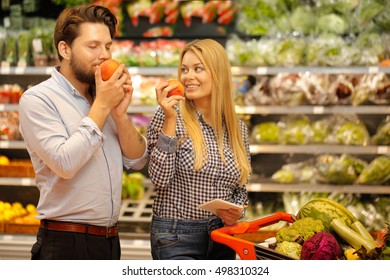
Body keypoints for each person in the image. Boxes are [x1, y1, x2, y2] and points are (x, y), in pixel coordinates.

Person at [18, 4, 148, 260]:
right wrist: (102, 106)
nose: (104, 55)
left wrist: (119, 115)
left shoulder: (103, 96)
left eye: (108, 46)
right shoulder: (38, 99)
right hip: (66, 243)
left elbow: (137, 160)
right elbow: (64, 163)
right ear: (64, 49)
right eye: (93, 46)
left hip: (110, 241)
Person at [147, 39, 252, 260]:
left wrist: (238, 212)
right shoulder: (169, 116)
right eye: (184, 69)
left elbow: (241, 188)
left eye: (198, 69)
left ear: (218, 74)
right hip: (176, 237)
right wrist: (169, 120)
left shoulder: (237, 129)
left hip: (222, 237)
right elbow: (159, 179)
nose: (187, 76)